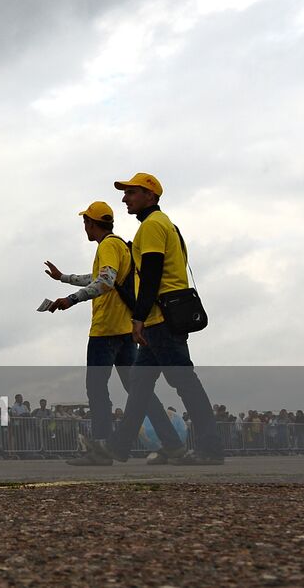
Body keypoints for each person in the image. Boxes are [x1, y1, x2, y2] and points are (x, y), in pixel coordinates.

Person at [44, 200, 181, 465]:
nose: (84, 226)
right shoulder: (120, 246)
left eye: (85, 222)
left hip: (105, 330)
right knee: (139, 391)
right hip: (125, 329)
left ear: (91, 224)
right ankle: (171, 441)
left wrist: (70, 299)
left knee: (96, 388)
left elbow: (104, 282)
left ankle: (101, 447)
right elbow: (97, 276)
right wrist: (63, 277)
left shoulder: (107, 245)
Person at [103, 173, 224, 465]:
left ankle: (210, 449)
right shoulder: (164, 225)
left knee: (184, 382)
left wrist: (138, 317)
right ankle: (119, 447)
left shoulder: (153, 226)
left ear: (151, 196)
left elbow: (152, 275)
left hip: (161, 320)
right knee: (140, 384)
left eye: (131, 193)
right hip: (163, 318)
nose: (124, 198)